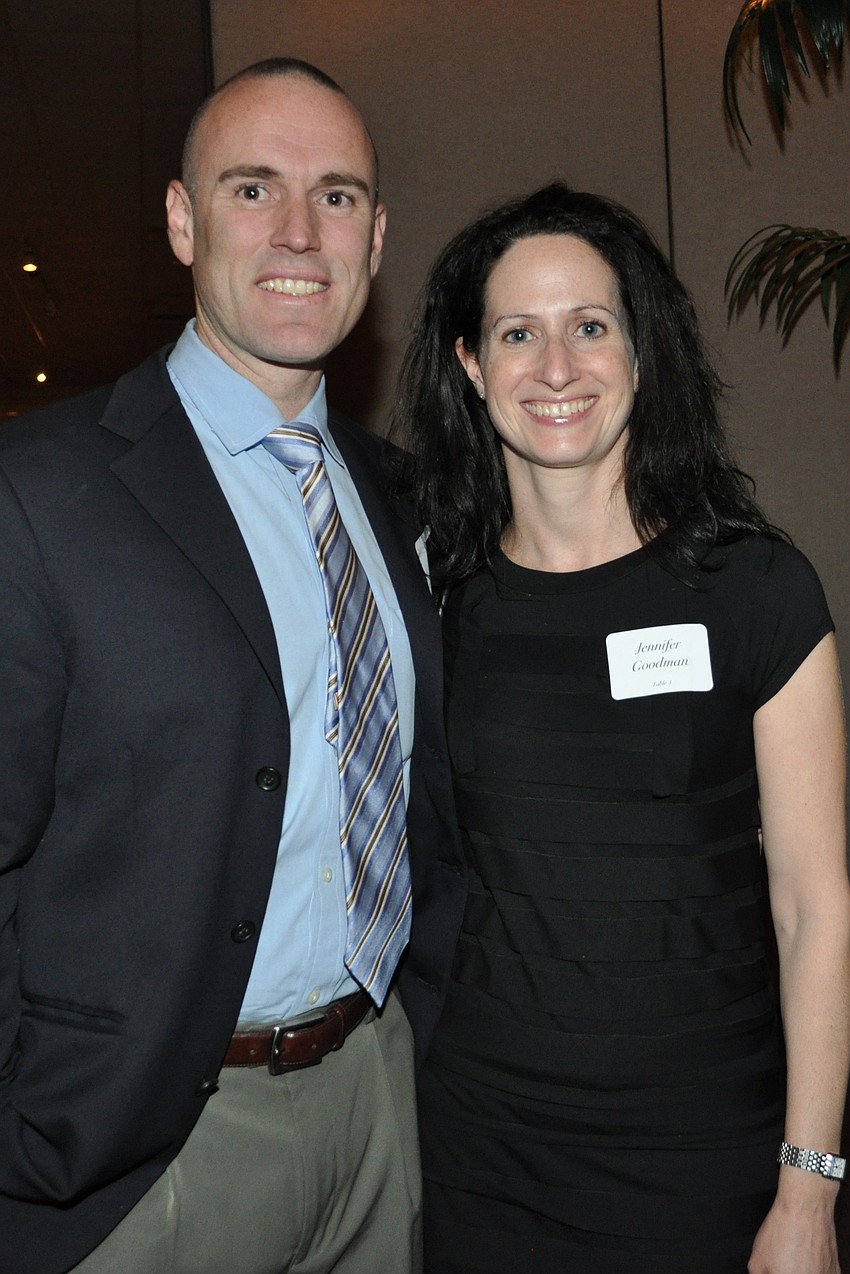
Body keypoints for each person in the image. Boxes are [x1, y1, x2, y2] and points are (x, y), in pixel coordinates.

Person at [0, 58, 464, 1274]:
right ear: (181, 218)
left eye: (341, 195)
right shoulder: (41, 490)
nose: (300, 232)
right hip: (143, 1148)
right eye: (253, 188)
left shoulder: (401, 493)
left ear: (377, 239)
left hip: (377, 1101)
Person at [396, 182, 850, 1273]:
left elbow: (814, 905)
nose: (556, 368)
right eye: (518, 333)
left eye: (589, 327)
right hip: (489, 1154)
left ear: (641, 353)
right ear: (470, 364)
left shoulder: (755, 589)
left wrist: (808, 1189)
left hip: (710, 1150)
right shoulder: (434, 601)